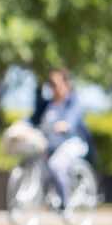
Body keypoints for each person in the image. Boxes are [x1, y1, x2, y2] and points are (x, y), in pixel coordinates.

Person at [29, 68, 92, 211]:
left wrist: (65, 124)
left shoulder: (72, 101)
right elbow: (34, 119)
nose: (52, 88)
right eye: (50, 84)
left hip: (73, 142)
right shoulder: (48, 104)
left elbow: (72, 118)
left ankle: (65, 202)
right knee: (39, 162)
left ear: (66, 84)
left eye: (55, 84)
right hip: (51, 144)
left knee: (56, 165)